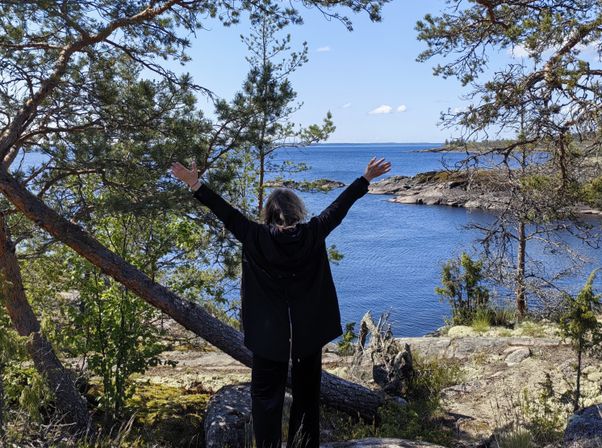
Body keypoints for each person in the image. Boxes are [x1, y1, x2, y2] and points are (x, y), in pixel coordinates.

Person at [171, 156, 391, 448]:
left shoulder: (254, 236)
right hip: (307, 333)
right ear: (297, 212)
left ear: (269, 214)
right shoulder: (313, 233)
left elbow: (225, 212)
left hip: (268, 334)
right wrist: (365, 178)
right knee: (307, 396)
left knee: (265, 397)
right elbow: (338, 208)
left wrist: (195, 184)